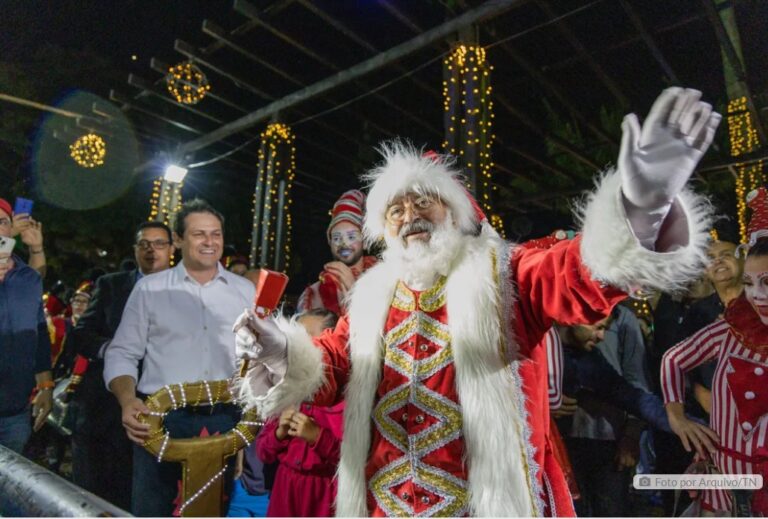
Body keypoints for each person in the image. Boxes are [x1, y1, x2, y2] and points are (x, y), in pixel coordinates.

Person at [233, 88, 720, 516]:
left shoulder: (501, 273)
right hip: (386, 505)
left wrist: (638, 209)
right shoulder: (371, 297)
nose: (410, 215)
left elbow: (570, 278)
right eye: (396, 209)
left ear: (457, 212)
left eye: (424, 200)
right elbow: (335, 364)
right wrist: (283, 351)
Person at [104, 199, 256, 517]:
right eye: (199, 234)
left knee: (212, 510)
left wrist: (248, 426)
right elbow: (122, 352)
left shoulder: (245, 291)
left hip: (224, 419)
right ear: (178, 239)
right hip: (161, 419)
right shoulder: (150, 289)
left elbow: (255, 359)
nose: (209, 242)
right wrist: (127, 400)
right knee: (153, 509)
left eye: (215, 234)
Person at [661, 187, 768, 516]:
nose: (758, 295)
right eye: (751, 284)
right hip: (722, 484)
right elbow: (672, 359)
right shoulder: (729, 327)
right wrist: (678, 418)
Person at [65, 221, 175, 511]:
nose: (151, 250)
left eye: (159, 243)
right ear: (136, 249)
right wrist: (113, 351)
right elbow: (81, 335)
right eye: (144, 244)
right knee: (94, 495)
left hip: (159, 410)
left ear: (172, 249)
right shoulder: (111, 285)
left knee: (143, 497)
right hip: (103, 410)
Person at [252, 309, 342, 518]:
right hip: (286, 489)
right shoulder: (285, 388)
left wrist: (318, 437)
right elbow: (263, 453)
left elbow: (356, 460)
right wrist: (279, 433)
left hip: (325, 494)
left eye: (308, 338)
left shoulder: (346, 395)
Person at [0, 197, 53, 453]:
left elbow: (39, 333)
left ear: (11, 228)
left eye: (1, 222)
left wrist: (45, 385)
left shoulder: (28, 278)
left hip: (14, 411)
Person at [297, 190, 377, 315]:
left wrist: (354, 292)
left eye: (351, 237)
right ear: (330, 244)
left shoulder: (382, 282)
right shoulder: (313, 294)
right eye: (336, 238)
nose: (343, 244)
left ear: (365, 242)